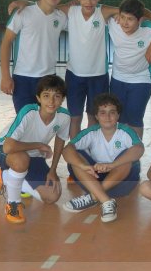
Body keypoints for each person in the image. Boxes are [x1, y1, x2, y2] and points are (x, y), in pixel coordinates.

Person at [7, 0, 151, 139]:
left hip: (98, 76)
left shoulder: (104, 11)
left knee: (94, 116)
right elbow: (46, 4)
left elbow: (136, 11)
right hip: (74, 76)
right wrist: (26, 2)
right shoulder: (70, 11)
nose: (88, 2)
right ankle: (76, 150)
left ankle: (90, 149)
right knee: (74, 118)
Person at [0, 75, 70, 224]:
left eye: (56, 96)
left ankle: (3, 176)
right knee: (21, 160)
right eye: (46, 96)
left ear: (62, 99)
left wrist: (52, 170)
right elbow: (8, 146)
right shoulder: (29, 112)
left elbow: (60, 140)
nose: (51, 101)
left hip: (32, 156)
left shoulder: (64, 117)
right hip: (2, 149)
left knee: (52, 196)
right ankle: (13, 204)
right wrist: (38, 145)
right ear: (38, 98)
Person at [62, 93, 144, 223]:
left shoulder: (126, 132)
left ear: (118, 115)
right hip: (94, 179)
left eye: (112, 112)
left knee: (128, 158)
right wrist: (84, 166)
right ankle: (105, 200)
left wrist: (112, 165)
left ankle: (92, 197)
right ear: (96, 116)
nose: (107, 117)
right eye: (103, 113)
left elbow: (139, 149)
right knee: (75, 158)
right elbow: (67, 150)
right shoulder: (91, 132)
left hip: (121, 183)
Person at [0, 0, 68, 113]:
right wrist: (6, 76)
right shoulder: (23, 12)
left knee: (45, 123)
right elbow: (6, 43)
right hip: (23, 79)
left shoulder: (61, 17)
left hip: (48, 78)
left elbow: (75, 8)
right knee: (25, 121)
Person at [108, 0, 151, 140]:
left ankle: (134, 158)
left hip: (141, 79)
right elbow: (100, 10)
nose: (124, 22)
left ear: (140, 20)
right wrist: (117, 13)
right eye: (122, 17)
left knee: (135, 118)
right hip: (118, 79)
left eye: (130, 19)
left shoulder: (150, 28)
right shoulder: (114, 23)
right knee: (119, 117)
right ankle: (120, 153)